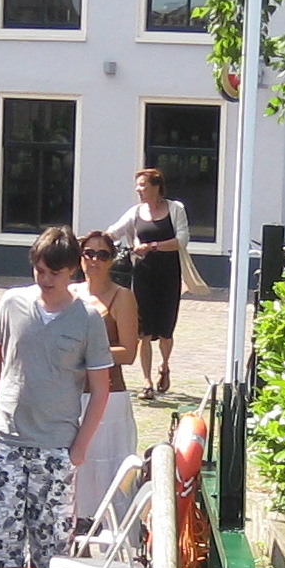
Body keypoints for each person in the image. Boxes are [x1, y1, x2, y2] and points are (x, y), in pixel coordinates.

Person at [0, 224, 114, 568]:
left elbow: (101, 388)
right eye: (38, 268)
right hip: (8, 438)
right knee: (3, 536)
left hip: (56, 444)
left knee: (47, 539)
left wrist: (81, 445)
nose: (44, 277)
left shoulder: (87, 318)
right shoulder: (12, 303)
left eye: (53, 270)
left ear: (72, 271)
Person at [67, 230, 143, 535]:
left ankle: (113, 535)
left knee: (108, 467)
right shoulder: (69, 292)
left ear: (111, 260)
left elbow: (129, 352)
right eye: (89, 253)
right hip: (71, 394)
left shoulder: (121, 296)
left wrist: (87, 354)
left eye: (102, 254)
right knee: (77, 470)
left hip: (109, 396)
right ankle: (74, 533)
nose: (95, 260)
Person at [108, 167, 189, 398]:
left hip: (169, 274)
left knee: (165, 329)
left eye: (143, 185)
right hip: (143, 274)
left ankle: (164, 365)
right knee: (143, 330)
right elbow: (114, 232)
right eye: (137, 185)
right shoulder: (135, 212)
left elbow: (182, 240)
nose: (138, 190)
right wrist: (94, 240)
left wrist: (152, 246)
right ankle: (147, 382)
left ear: (157, 187)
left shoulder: (175, 209)